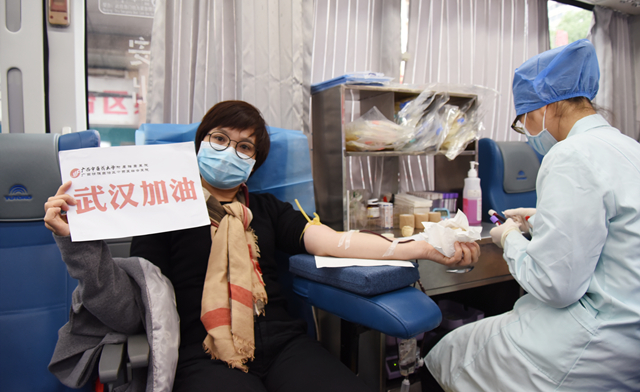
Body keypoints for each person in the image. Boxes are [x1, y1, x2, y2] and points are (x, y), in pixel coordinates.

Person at [44, 100, 480, 392]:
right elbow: (132, 307)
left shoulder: (268, 209)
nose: (229, 151)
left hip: (283, 343)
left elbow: (337, 243)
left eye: (244, 146)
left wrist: (421, 245)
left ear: (254, 162)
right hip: (204, 351)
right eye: (219, 139)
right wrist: (78, 244)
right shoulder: (167, 210)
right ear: (200, 143)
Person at [423, 39, 640, 391]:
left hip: (594, 342)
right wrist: (541, 220)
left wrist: (508, 238)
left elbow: (555, 285)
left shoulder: (570, 155)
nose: (526, 130)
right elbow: (614, 228)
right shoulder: (628, 148)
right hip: (630, 340)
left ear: (546, 107)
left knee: (446, 354)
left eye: (524, 118)